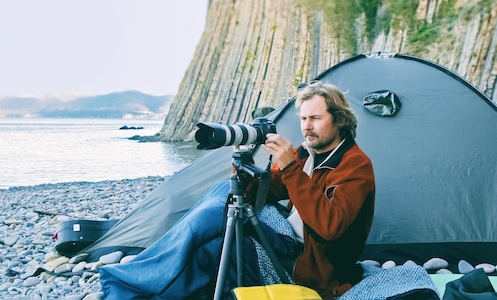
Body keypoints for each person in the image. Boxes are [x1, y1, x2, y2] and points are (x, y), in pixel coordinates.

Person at [99, 81, 375, 300]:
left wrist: (290, 167)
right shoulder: (306, 152)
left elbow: (330, 226)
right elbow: (267, 192)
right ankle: (143, 287)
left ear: (339, 120)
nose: (306, 127)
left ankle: (129, 277)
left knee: (220, 245)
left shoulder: (355, 166)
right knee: (222, 201)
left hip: (311, 262)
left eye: (315, 118)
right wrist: (241, 164)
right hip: (287, 236)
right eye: (303, 118)